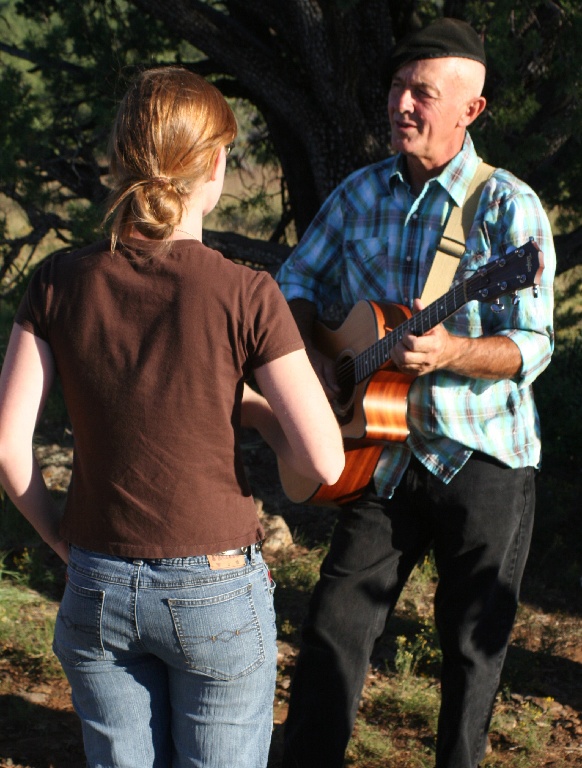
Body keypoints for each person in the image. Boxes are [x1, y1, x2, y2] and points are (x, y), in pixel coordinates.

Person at [0, 66, 344, 768]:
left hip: (97, 579)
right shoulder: (247, 292)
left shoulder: (57, 281)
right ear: (215, 165)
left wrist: (62, 540)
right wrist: (261, 423)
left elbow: (8, 446)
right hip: (215, 585)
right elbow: (325, 459)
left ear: (119, 158)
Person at [276, 17, 555, 768]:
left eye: (422, 92)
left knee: (472, 650)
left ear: (471, 109)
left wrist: (453, 351)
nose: (402, 103)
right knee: (333, 628)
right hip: (379, 454)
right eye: (399, 87)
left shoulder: (508, 207)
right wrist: (313, 363)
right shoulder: (359, 193)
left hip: (481, 455)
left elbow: (533, 344)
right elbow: (293, 283)